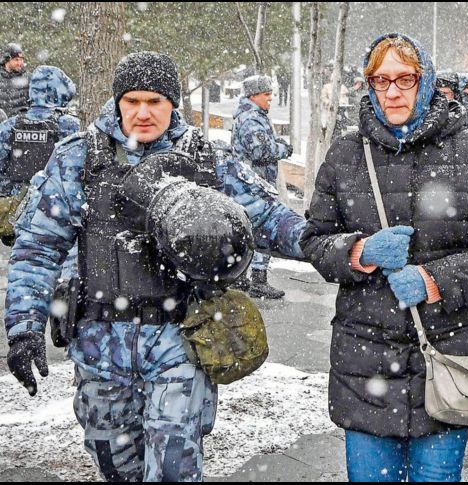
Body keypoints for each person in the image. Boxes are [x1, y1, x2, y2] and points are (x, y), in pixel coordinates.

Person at [3, 51, 306, 482]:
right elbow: (38, 248)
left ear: (172, 103)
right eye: (132, 101)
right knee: (117, 467)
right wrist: (23, 327)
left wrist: (337, 248)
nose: (143, 113)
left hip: (179, 343)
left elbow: (267, 218)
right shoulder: (79, 158)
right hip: (100, 347)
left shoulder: (206, 159)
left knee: (172, 470)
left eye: (155, 101)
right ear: (118, 102)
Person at [301, 33, 468, 482]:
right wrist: (359, 251)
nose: (393, 91)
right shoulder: (346, 155)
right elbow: (314, 239)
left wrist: (435, 279)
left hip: (448, 357)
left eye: (405, 78)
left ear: (426, 82)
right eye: (380, 80)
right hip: (365, 364)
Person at [0, 65, 80, 279]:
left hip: (18, 213)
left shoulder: (9, 127)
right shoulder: (68, 126)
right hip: (54, 211)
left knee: (25, 269)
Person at [231, 74, 294, 299]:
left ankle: (243, 278)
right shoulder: (251, 119)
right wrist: (283, 149)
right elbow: (261, 152)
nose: (271, 98)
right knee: (260, 231)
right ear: (253, 95)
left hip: (252, 183)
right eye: (267, 94)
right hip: (253, 186)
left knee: (249, 231)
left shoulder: (254, 115)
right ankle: (254, 279)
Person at [0, 43, 30, 116]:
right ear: (7, 60)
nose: (20, 63)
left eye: (21, 60)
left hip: (22, 124)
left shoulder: (29, 78)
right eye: (16, 60)